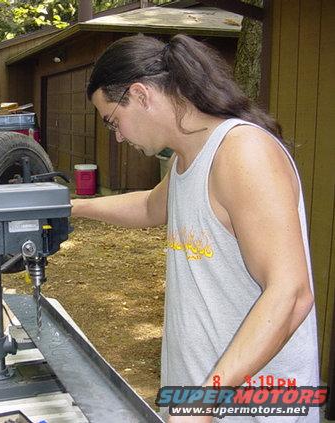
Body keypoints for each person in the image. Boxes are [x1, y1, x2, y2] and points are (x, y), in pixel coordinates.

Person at [72, 34, 320, 422]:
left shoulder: (242, 153)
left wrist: (203, 403)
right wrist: (73, 207)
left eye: (113, 121)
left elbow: (291, 294)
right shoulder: (189, 158)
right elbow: (152, 205)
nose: (118, 136)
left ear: (140, 95)